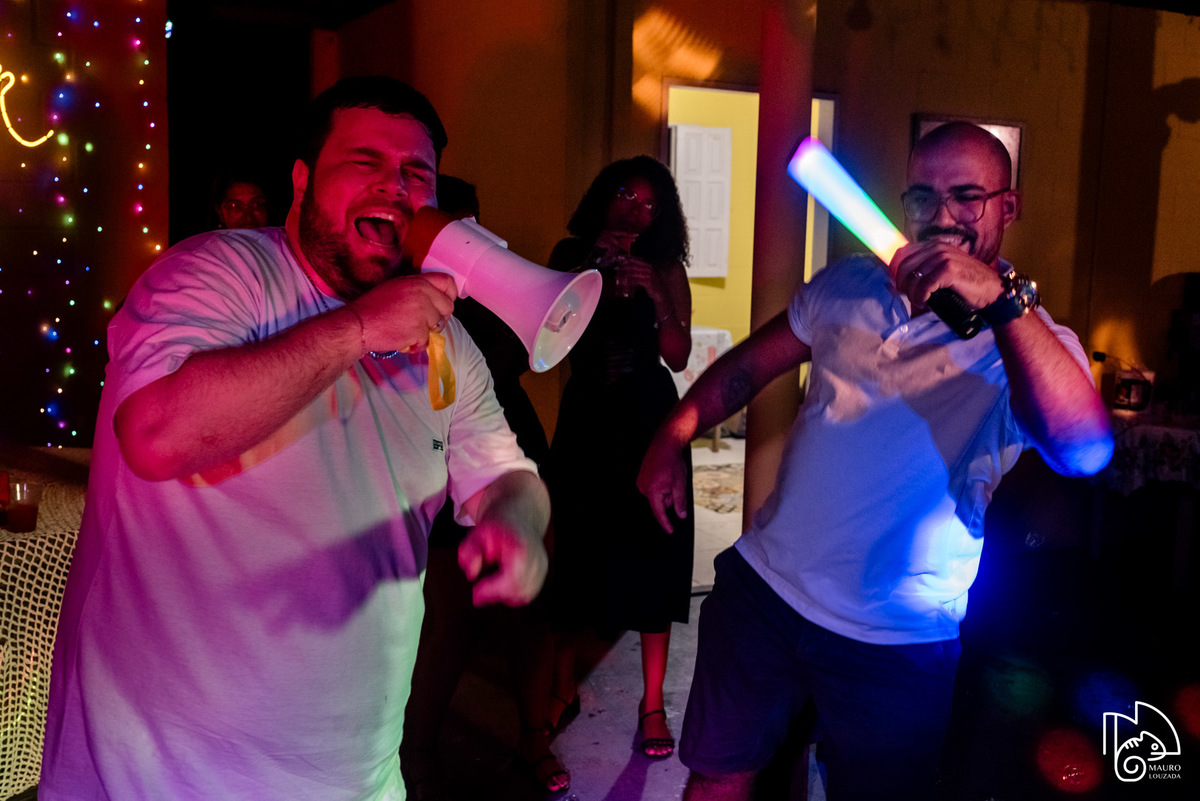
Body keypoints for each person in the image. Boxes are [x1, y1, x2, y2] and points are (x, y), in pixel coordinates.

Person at [39, 77, 550, 801]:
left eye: (414, 173)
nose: (394, 186)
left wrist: (516, 525)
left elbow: (508, 475)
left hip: (355, 775)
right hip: (156, 773)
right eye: (364, 162)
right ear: (303, 180)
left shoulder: (449, 341)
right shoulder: (217, 271)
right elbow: (156, 435)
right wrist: (363, 327)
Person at [637, 122, 1114, 801]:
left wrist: (1001, 303)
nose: (942, 217)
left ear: (1009, 206)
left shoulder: (1030, 341)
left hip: (896, 636)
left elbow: (1086, 451)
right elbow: (746, 369)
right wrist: (671, 434)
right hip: (765, 592)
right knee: (718, 778)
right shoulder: (849, 283)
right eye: (923, 196)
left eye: (967, 196)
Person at [400, 175, 567, 797]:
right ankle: (416, 750)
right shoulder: (405, 301)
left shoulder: (485, 298)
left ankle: (533, 739)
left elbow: (528, 356)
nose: (462, 242)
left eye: (471, 227)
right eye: (451, 226)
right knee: (454, 621)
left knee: (530, 605)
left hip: (500, 438)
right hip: (439, 456)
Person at [546, 155, 693, 759]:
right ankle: (560, 688)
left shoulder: (664, 266)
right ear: (605, 196)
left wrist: (657, 293)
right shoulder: (567, 256)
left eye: (651, 204)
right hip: (588, 421)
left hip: (648, 422)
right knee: (575, 551)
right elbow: (547, 343)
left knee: (654, 552)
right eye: (629, 195)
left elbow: (679, 356)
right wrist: (589, 269)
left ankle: (652, 701)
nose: (638, 210)